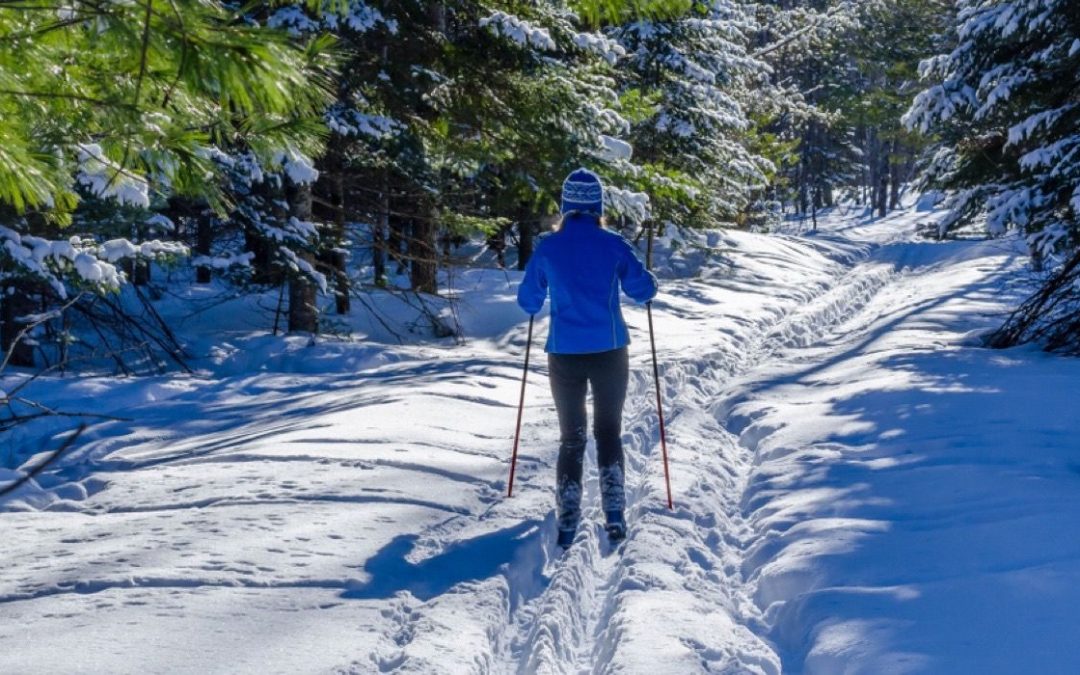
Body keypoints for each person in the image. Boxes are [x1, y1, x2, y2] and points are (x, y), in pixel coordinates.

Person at [517, 168, 658, 549]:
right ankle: (614, 512)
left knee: (572, 437)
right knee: (608, 431)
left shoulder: (548, 248)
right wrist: (651, 282)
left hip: (564, 353)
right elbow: (642, 290)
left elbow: (528, 300)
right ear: (597, 206)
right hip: (610, 349)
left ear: (566, 207)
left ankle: (568, 514)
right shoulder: (613, 244)